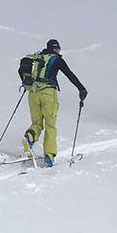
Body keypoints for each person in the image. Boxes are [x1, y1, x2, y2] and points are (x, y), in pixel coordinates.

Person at [21, 38, 87, 167]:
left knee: (37, 123)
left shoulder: (36, 58)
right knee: (50, 124)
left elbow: (23, 70)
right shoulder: (56, 59)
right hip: (48, 94)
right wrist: (81, 88)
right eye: (58, 49)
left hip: (33, 93)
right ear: (55, 49)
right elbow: (69, 74)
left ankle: (29, 137)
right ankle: (49, 156)